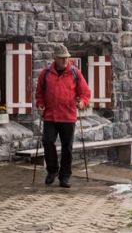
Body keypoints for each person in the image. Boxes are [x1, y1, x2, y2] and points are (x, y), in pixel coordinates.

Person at [34, 44, 91, 188]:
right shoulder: (46, 73)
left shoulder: (75, 73)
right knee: (47, 142)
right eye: (62, 58)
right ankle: (52, 171)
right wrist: (40, 104)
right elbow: (39, 92)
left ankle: (65, 176)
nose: (65, 60)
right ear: (55, 58)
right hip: (50, 116)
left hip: (68, 116)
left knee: (67, 148)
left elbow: (85, 93)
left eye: (67, 57)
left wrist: (82, 103)